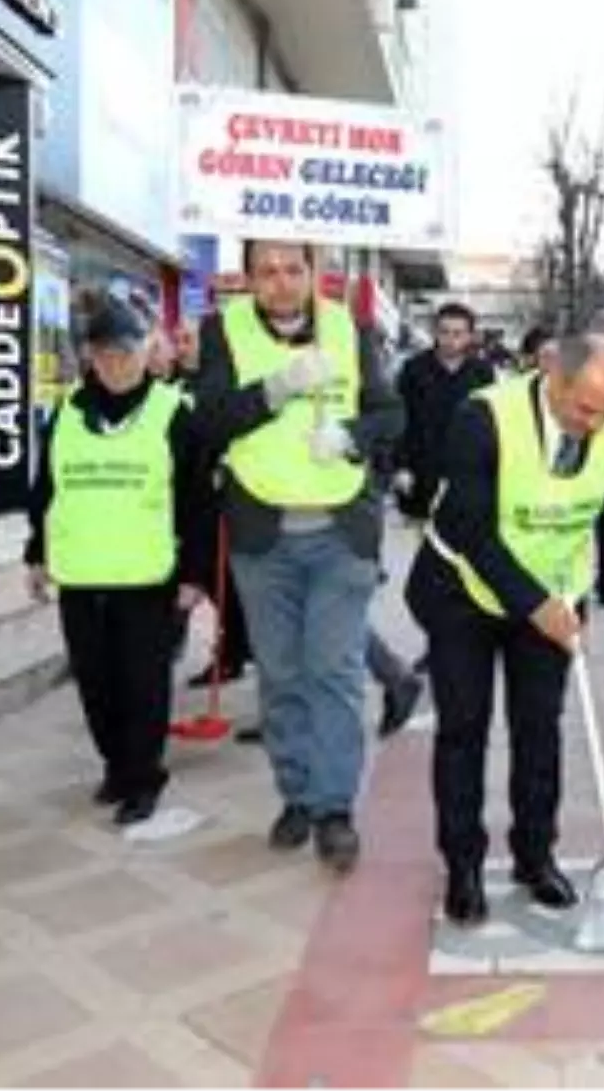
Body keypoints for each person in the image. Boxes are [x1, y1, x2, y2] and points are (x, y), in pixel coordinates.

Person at [406, 321, 604, 926]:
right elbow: (471, 528)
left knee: (540, 728)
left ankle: (535, 855)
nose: (595, 425)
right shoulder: (482, 418)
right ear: (551, 377)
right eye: (584, 408)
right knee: (464, 729)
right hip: (464, 589)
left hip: (555, 587)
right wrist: (536, 606)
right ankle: (463, 864)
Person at [192, 240, 403, 874]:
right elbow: (209, 421)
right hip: (263, 535)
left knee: (332, 670)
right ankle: (298, 796)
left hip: (341, 531)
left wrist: (351, 436)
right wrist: (276, 389)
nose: (281, 284)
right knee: (281, 674)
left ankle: (335, 809)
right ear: (249, 280)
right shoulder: (222, 330)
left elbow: (392, 414)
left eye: (293, 270)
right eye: (266, 272)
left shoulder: (348, 327)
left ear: (312, 274)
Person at [23, 295, 213, 825]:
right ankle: (116, 765)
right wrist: (37, 555)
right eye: (103, 353)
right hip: (81, 574)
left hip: (147, 577)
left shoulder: (174, 413)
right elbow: (47, 490)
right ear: (89, 356)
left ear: (145, 351)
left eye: (125, 352)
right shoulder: (66, 412)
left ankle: (143, 778)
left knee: (143, 685)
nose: (115, 363)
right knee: (96, 683)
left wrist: (194, 575)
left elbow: (198, 502)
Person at [392, 302, 495, 526]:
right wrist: (400, 465)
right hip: (421, 468)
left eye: (458, 333)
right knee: (421, 541)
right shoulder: (414, 369)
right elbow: (400, 419)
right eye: (444, 332)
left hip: (466, 471)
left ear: (470, 336)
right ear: (435, 333)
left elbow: (491, 424)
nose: (450, 339)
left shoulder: (482, 373)